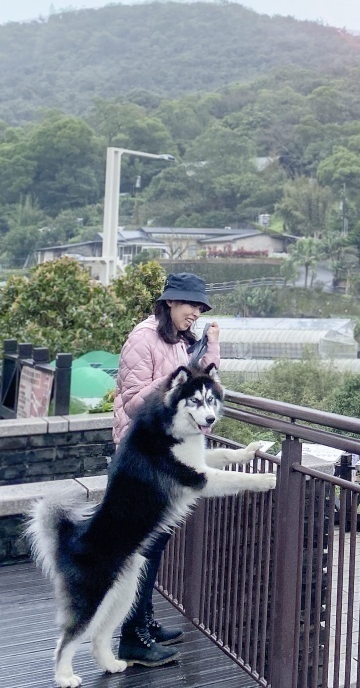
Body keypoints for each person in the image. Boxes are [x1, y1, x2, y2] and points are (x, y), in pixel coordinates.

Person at [112, 272, 221, 666]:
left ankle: (144, 620)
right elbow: (132, 404)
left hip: (167, 457)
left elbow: (199, 389)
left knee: (156, 545)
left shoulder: (179, 341)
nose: (195, 312)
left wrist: (210, 353)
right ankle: (132, 638)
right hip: (144, 459)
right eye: (189, 304)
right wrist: (174, 381)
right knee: (145, 547)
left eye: (200, 307)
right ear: (169, 303)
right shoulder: (144, 338)